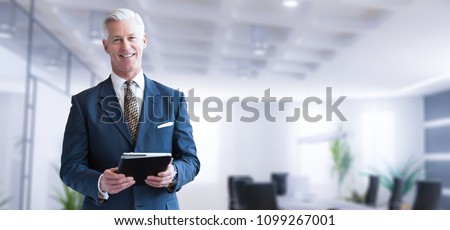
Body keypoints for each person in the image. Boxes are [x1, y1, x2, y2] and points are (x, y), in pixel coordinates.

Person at [60, 8, 200, 210]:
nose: (126, 47)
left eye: (131, 37)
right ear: (106, 46)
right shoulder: (84, 103)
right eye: (116, 39)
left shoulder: (173, 99)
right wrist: (100, 182)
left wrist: (175, 173)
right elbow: (70, 168)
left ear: (143, 40)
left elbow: (191, 160)